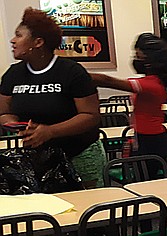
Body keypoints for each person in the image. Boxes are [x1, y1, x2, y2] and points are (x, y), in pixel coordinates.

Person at [0, 7, 104, 188]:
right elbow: (4, 113)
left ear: (38, 42)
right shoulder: (13, 74)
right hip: (39, 158)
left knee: (86, 209)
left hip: (80, 156)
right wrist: (17, 125)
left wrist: (50, 131)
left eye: (19, 35)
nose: (12, 40)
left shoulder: (71, 72)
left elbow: (91, 116)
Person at [91, 33, 167, 169]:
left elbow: (109, 81)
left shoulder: (151, 85)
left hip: (150, 140)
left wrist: (77, 74)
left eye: (138, 56)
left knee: (145, 180)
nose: (135, 60)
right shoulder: (154, 82)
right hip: (144, 136)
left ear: (149, 61)